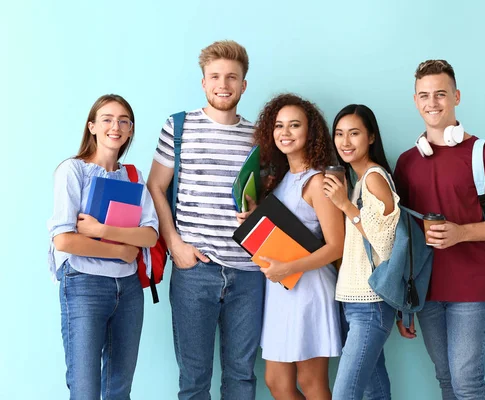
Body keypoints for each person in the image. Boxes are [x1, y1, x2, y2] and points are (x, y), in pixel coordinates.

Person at [393, 59, 485, 399]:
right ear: (415, 101)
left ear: (457, 96)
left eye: (440, 94)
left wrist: (461, 232)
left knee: (467, 384)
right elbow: (403, 236)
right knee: (447, 381)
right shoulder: (407, 162)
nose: (432, 103)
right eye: (424, 95)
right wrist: (403, 304)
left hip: (470, 287)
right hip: (425, 291)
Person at [146, 40, 264, 400]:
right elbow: (155, 186)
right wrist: (175, 246)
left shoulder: (259, 136)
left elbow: (267, 201)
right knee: (194, 380)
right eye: (215, 76)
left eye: (232, 77)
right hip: (194, 270)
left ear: (244, 85)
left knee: (241, 377)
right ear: (203, 83)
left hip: (249, 273)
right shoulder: (178, 127)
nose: (223, 84)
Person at [47, 94, 159, 399]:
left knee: (119, 389)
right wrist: (122, 249)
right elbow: (65, 240)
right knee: (85, 388)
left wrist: (101, 230)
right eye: (107, 119)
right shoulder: (73, 171)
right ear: (92, 126)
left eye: (124, 121)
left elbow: (149, 236)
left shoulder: (133, 177)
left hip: (129, 290)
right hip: (84, 284)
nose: (116, 126)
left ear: (131, 130)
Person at [247, 93, 344, 400]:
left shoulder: (318, 182)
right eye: (278, 126)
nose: (285, 133)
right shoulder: (281, 179)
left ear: (310, 132)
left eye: (294, 126)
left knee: (312, 383)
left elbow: (337, 246)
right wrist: (252, 216)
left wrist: (288, 268)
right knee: (277, 383)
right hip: (281, 288)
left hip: (309, 290)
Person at [323, 104, 400, 400]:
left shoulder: (373, 178)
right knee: (374, 391)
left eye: (354, 133)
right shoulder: (357, 183)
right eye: (339, 134)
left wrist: (345, 205)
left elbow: (384, 244)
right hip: (353, 301)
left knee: (346, 394)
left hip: (371, 304)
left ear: (371, 137)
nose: (345, 142)